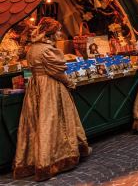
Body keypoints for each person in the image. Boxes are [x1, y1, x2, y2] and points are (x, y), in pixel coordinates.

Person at [13, 18, 91, 181]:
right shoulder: (47, 50)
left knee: (37, 122)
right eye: (58, 31)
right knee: (53, 122)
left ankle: (34, 160)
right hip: (50, 87)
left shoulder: (32, 48)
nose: (60, 34)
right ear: (50, 32)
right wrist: (70, 82)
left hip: (36, 87)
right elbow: (57, 72)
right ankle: (51, 160)